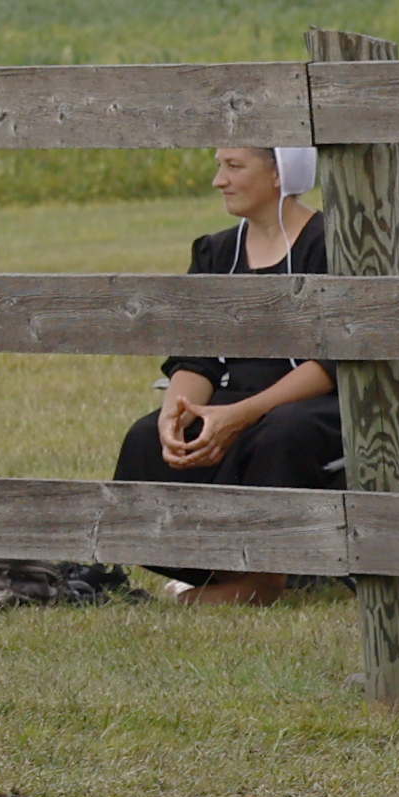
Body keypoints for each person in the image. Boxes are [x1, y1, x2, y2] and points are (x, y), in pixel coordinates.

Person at [109, 144, 338, 605]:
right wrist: (176, 412)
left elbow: (334, 362)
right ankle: (217, 567)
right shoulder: (217, 251)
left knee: (280, 434)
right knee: (147, 438)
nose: (219, 180)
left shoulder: (328, 244)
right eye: (219, 166)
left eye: (234, 166)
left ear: (279, 174)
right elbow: (196, 356)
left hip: (316, 399)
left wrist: (242, 413)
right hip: (234, 398)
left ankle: (263, 579)